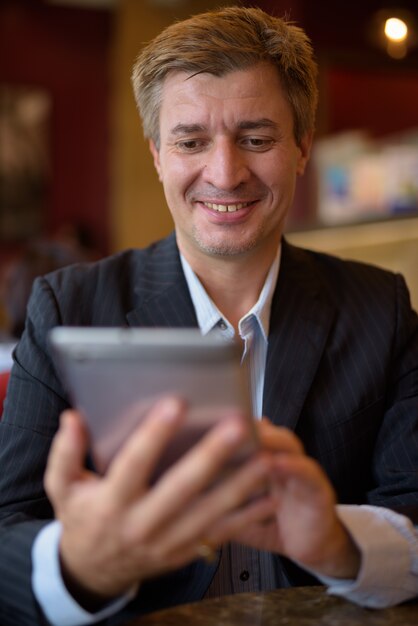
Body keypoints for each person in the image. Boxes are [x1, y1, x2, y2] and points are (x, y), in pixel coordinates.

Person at [0, 5, 417, 625]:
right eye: (192, 141)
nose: (224, 173)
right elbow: (9, 524)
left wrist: (336, 541)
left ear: (303, 147)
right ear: (157, 155)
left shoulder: (380, 306)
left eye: (256, 138)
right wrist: (81, 566)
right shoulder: (68, 306)